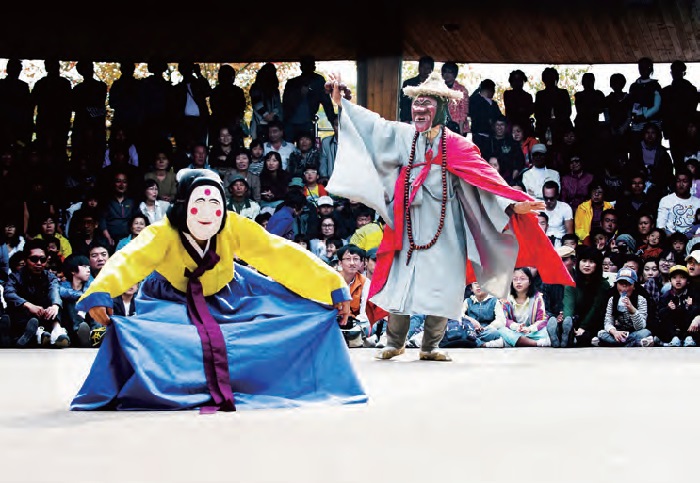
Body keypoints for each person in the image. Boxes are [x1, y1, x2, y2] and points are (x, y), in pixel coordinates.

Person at [325, 71, 573, 362]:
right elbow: (374, 127)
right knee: (401, 286)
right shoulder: (404, 135)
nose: (419, 108)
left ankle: (430, 346)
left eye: (426, 103)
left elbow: (487, 180)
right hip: (410, 228)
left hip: (447, 232)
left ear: (441, 109)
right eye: (416, 103)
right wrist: (343, 102)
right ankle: (395, 341)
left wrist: (512, 204)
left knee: (443, 289)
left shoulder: (458, 145)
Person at [71, 168, 365, 412]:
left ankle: (253, 380)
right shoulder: (162, 232)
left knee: (284, 324)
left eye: (216, 205)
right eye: (200, 204)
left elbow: (277, 253)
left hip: (231, 296)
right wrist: (103, 290)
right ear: (183, 205)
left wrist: (331, 284)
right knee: (165, 341)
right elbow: (130, 259)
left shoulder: (233, 226)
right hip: (171, 301)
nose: (208, 213)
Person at [4, 239, 69, 348]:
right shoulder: (15, 276)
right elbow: (9, 293)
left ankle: (56, 331)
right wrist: (28, 305)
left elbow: (54, 291)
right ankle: (35, 334)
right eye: (34, 259)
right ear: (25, 260)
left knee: (58, 304)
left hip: (44, 315)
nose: (39, 263)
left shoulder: (50, 277)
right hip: (23, 317)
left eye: (42, 260)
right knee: (16, 308)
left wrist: (55, 305)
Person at [597, 266, 654, 347]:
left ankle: (615, 343)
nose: (624, 287)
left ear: (634, 286)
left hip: (633, 332)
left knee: (646, 332)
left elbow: (641, 327)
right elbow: (608, 322)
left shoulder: (641, 300)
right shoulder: (612, 300)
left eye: (628, 284)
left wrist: (633, 310)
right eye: (621, 283)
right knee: (601, 333)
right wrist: (614, 332)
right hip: (618, 333)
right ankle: (636, 343)